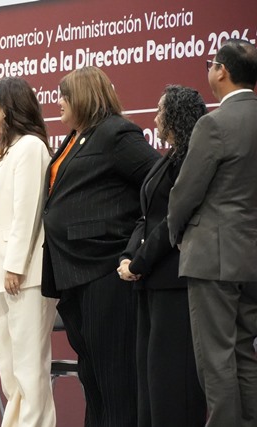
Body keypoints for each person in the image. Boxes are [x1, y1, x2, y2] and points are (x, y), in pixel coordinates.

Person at [41, 66, 160, 427]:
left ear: (84, 97)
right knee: (91, 374)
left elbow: (159, 182)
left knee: (114, 375)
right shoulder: (76, 137)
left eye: (64, 95)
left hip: (105, 267)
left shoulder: (116, 133)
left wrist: (134, 240)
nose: (59, 102)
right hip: (73, 269)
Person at [167, 39, 257, 427]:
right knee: (244, 353)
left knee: (215, 358)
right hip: (250, 257)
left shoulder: (214, 123)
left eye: (211, 64)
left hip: (213, 257)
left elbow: (185, 193)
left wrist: (176, 234)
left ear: (222, 71)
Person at [118, 85, 207, 427]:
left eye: (160, 111)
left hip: (174, 283)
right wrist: (128, 256)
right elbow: (146, 216)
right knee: (150, 385)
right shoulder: (168, 157)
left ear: (176, 116)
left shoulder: (190, 160)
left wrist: (140, 263)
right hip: (149, 283)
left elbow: (173, 220)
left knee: (172, 386)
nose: (154, 118)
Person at [0, 77, 57, 427]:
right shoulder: (1, 151)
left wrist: (15, 265)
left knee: (29, 368)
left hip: (23, 274)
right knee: (9, 369)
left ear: (6, 108)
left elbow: (27, 212)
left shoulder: (31, 147)